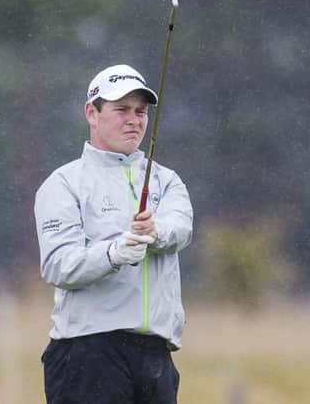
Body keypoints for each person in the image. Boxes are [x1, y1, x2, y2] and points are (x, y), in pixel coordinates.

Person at [34, 64, 193, 404]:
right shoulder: (64, 183)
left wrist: (155, 231)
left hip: (155, 355)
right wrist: (113, 254)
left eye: (141, 111)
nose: (134, 120)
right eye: (121, 109)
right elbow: (59, 265)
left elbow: (181, 227)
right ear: (92, 113)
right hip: (87, 352)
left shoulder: (166, 180)